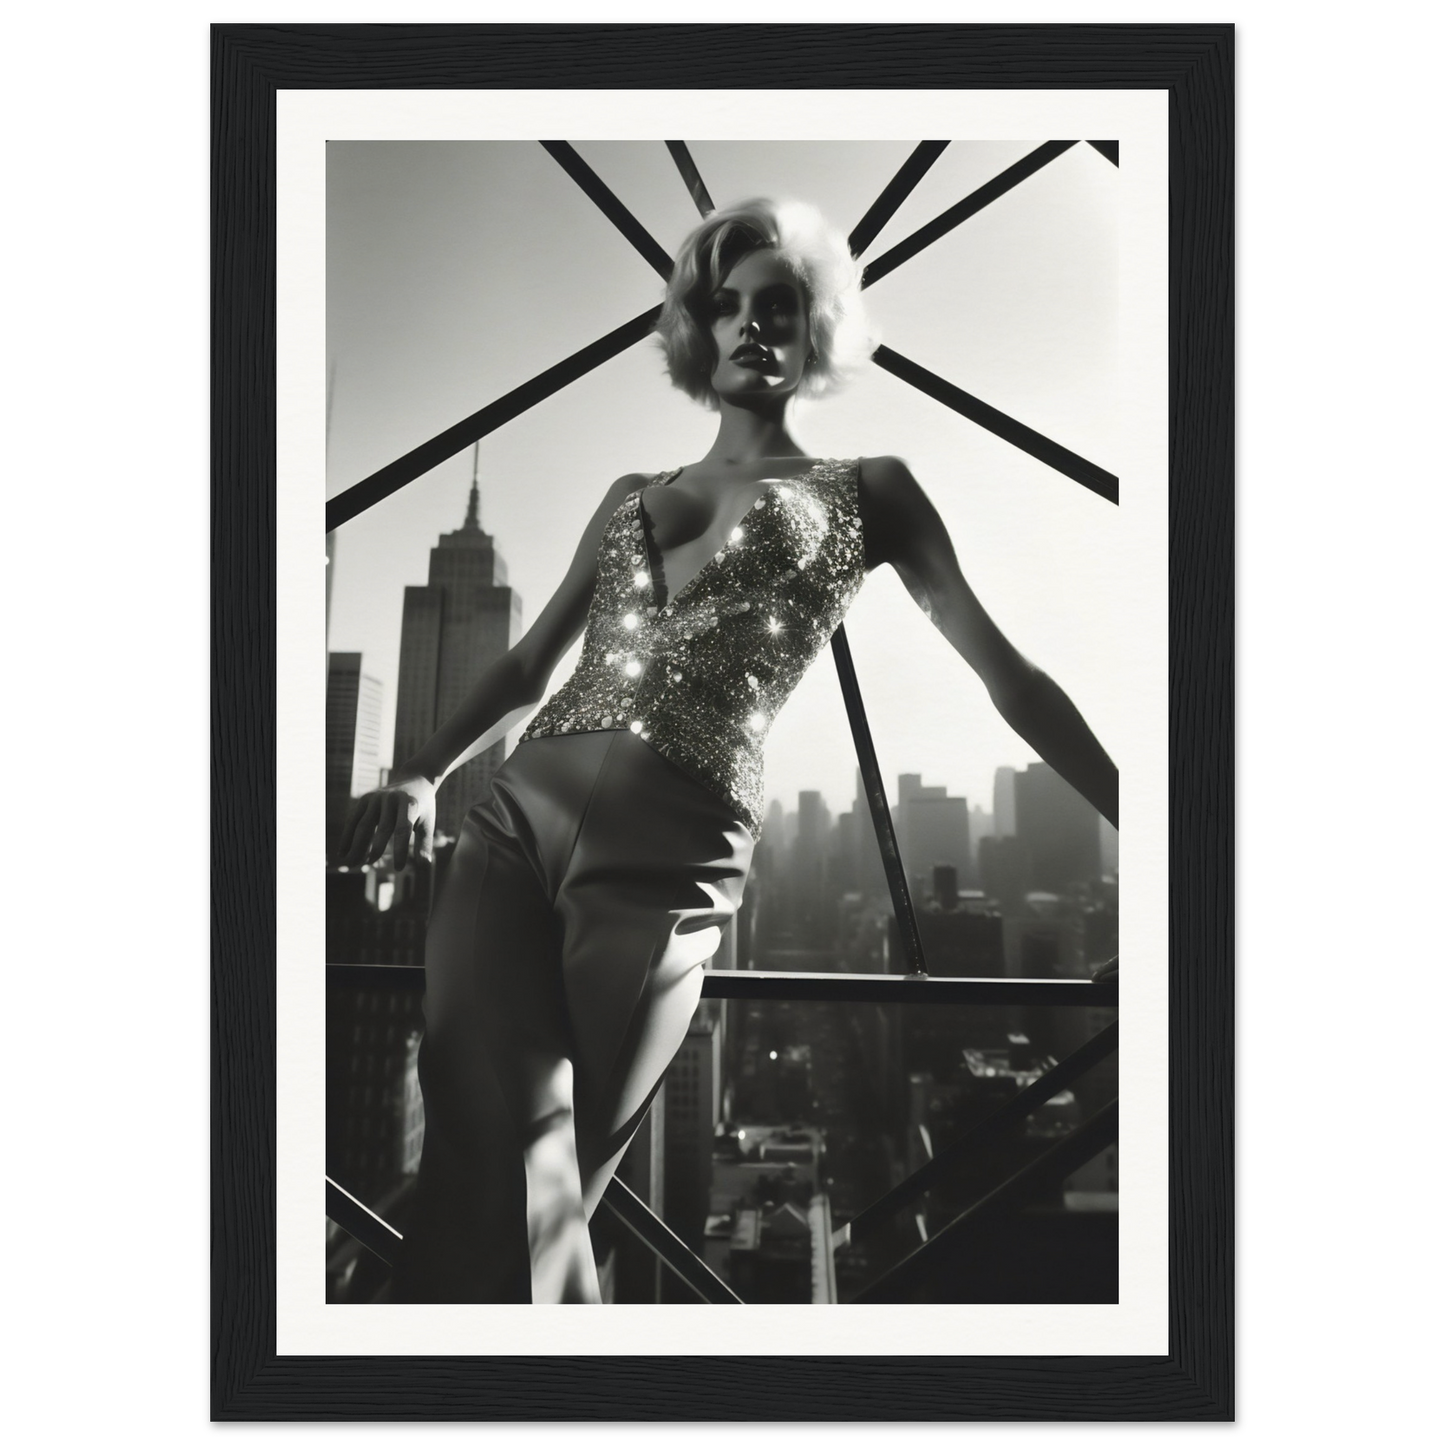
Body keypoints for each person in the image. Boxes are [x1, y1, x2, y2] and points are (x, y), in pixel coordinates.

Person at [338, 198, 1119, 1304]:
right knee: (474, 1142)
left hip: (675, 842)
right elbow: (526, 671)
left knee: (543, 1173)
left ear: (819, 329)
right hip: (511, 822)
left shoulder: (871, 490)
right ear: (694, 331)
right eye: (725, 305)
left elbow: (1009, 677)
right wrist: (421, 770)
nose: (752, 325)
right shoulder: (628, 496)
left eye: (779, 305)